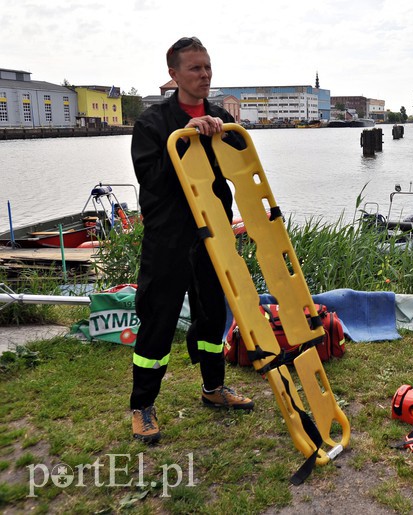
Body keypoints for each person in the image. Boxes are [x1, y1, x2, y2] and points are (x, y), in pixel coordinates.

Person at [129, 36, 253, 444]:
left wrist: (224, 138)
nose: (204, 74)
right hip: (168, 239)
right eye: (195, 68)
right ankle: (142, 406)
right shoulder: (152, 124)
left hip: (213, 234)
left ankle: (213, 389)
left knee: (213, 313)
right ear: (174, 74)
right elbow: (153, 180)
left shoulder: (221, 118)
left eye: (208, 66)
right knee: (158, 320)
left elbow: (239, 168)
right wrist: (185, 136)